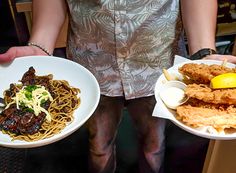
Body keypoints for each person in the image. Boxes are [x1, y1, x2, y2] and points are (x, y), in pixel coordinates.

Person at [0, 0, 236, 173]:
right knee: (99, 146)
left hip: (158, 65)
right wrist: (40, 45)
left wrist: (203, 52)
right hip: (91, 66)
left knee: (154, 145)